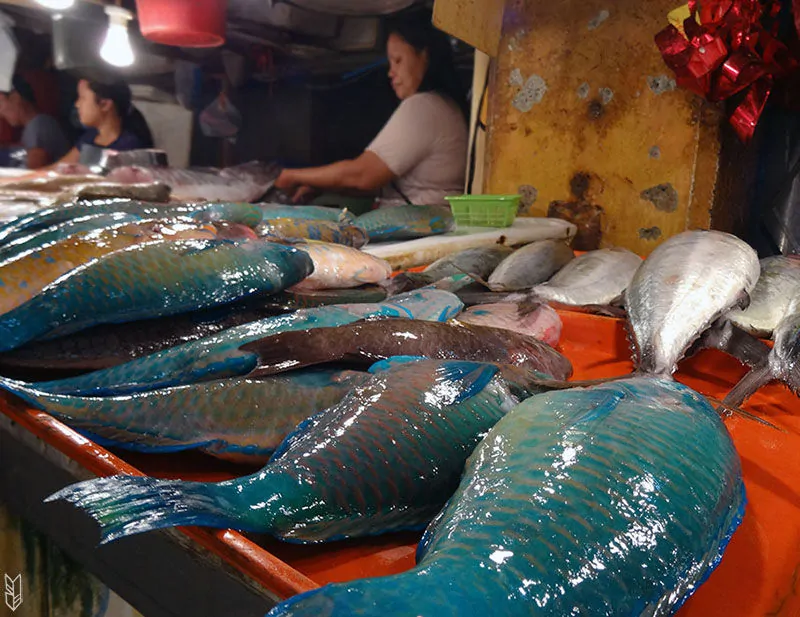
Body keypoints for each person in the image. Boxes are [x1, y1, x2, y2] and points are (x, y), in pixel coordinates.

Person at [275, 15, 469, 207]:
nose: (390, 73)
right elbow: (376, 178)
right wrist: (320, 185)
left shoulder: (425, 107)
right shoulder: (444, 105)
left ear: (424, 56)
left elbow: (363, 175)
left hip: (423, 227)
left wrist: (291, 175)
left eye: (398, 60)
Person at [53, 78, 154, 166]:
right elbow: (58, 168)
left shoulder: (129, 148)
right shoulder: (90, 138)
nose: (77, 104)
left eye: (82, 98)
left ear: (105, 104)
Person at [0, 74, 71, 169]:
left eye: (0, 104)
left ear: (15, 97)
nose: (1, 113)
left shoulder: (39, 125)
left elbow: (33, 171)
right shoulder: (34, 126)